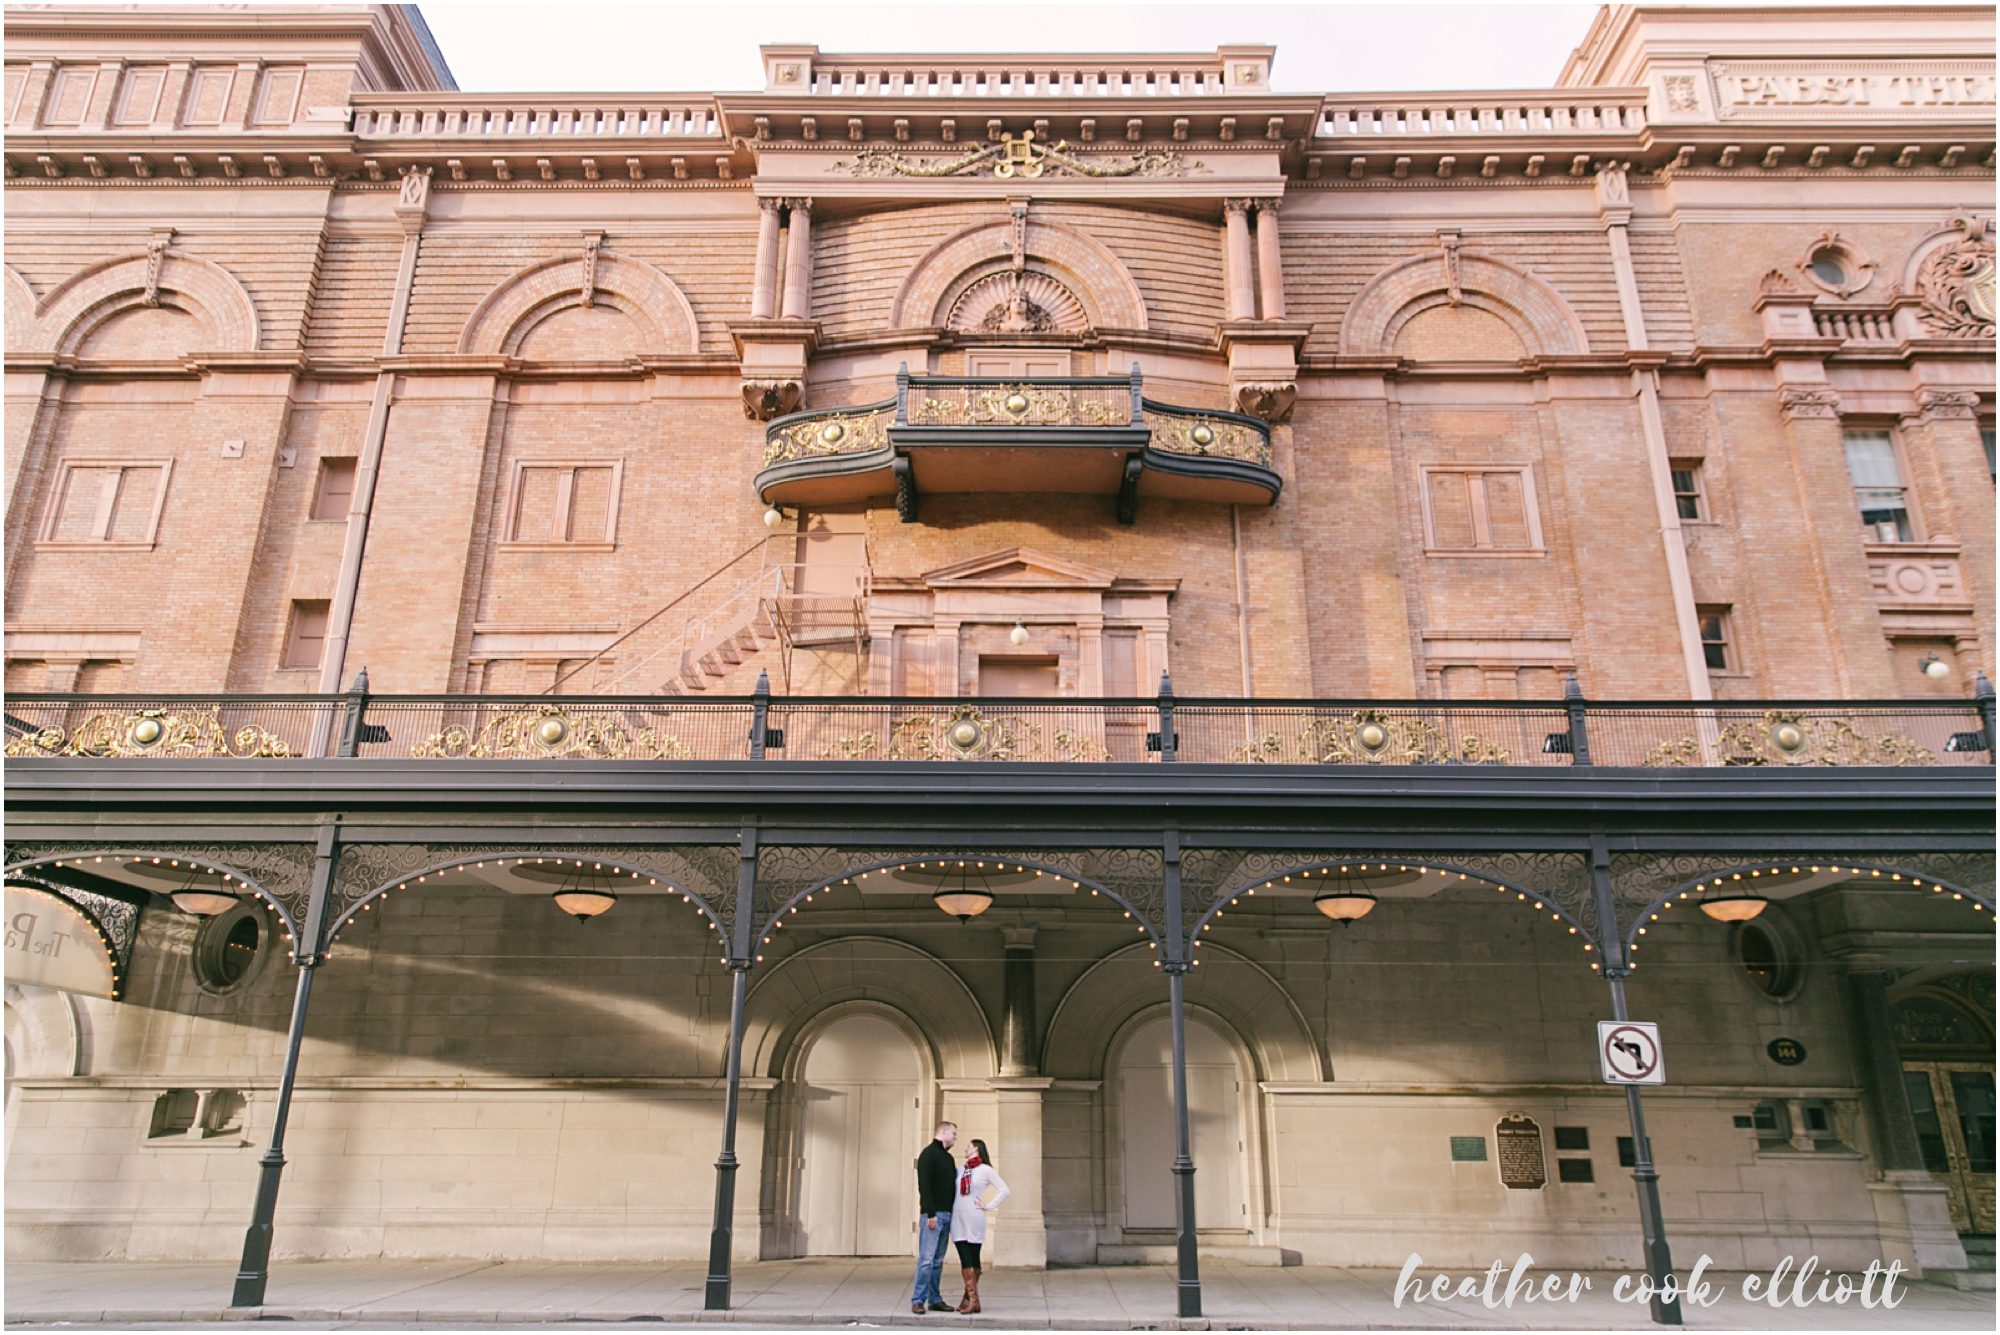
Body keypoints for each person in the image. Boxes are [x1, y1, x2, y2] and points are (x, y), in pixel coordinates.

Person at [949, 1138, 1010, 1314]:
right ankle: (969, 1299)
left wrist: (988, 1206)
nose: (965, 1149)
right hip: (958, 1217)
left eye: (968, 1146)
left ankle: (973, 1300)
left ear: (976, 1148)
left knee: (972, 1257)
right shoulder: (961, 1170)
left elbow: (1004, 1190)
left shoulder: (985, 1170)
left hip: (974, 1217)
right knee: (964, 1256)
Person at [910, 1120, 957, 1314]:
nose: (955, 1137)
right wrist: (930, 1213)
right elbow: (925, 1187)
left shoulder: (948, 1158)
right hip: (933, 1215)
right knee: (927, 1260)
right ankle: (918, 1299)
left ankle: (934, 1299)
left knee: (937, 1261)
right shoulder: (928, 1155)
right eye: (953, 1133)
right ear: (943, 1132)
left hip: (946, 1214)